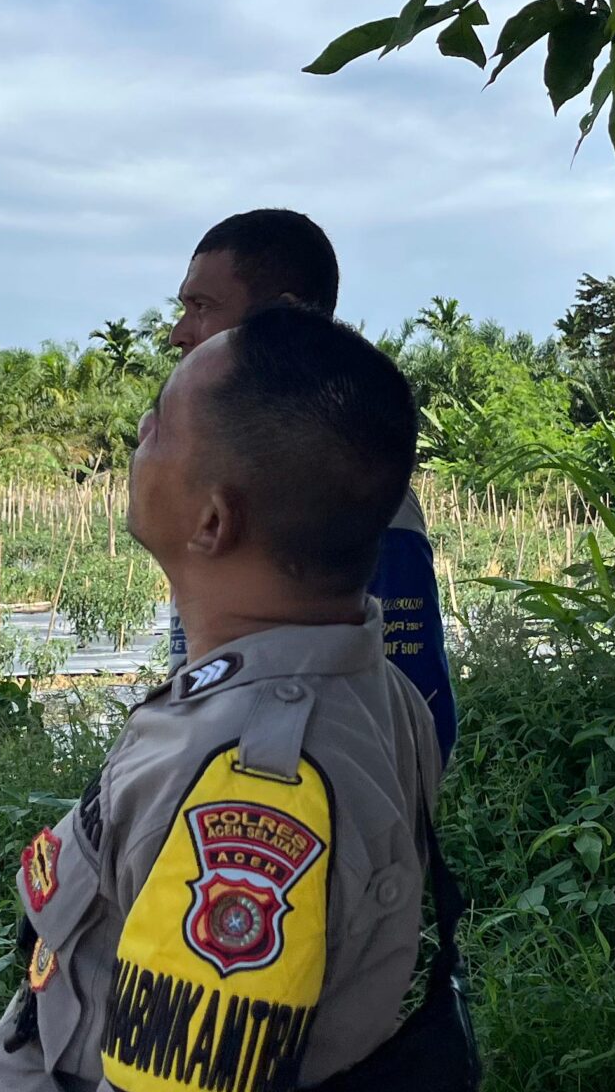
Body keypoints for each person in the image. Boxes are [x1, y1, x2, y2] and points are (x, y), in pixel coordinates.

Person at [0, 306, 442, 1092]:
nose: (136, 444)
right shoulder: (368, 694)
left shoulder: (252, 789)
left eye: (156, 428)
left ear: (213, 520)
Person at [166, 209, 456, 764]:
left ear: (286, 317)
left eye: (201, 307)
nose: (180, 333)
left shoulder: (363, 495)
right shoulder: (214, 481)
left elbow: (416, 713)